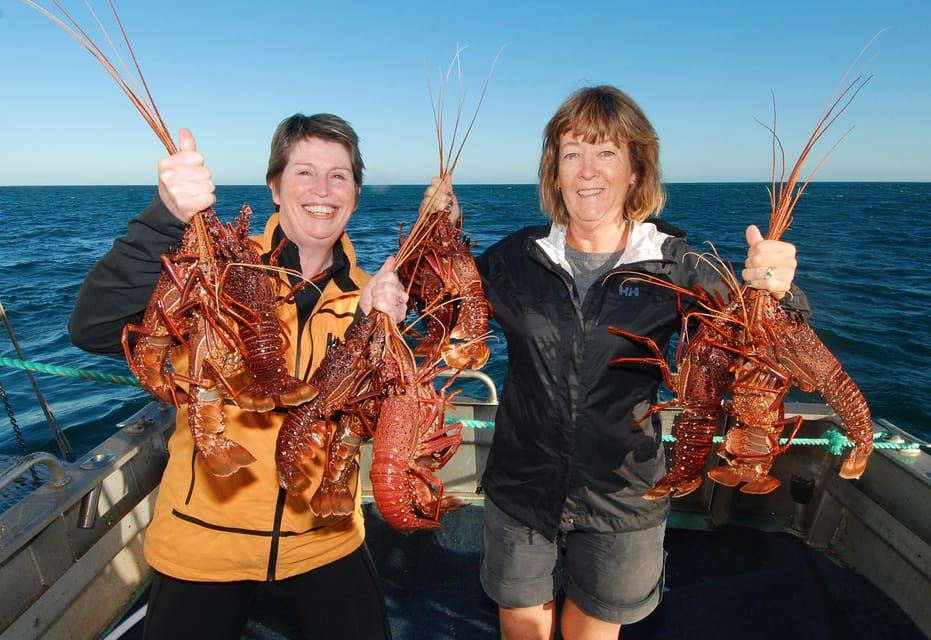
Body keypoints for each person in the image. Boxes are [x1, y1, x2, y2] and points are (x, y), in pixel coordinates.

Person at [421, 85, 807, 640]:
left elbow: (765, 337)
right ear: (553, 171)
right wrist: (438, 237)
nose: (586, 171)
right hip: (522, 491)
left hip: (624, 496)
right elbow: (434, 308)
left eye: (606, 152)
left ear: (635, 170)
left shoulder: (678, 266)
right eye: (571, 153)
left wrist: (778, 288)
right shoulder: (513, 259)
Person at [69, 113, 410, 640]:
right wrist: (165, 217)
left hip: (323, 533)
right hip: (205, 539)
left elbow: (378, 418)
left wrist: (377, 329)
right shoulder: (215, 267)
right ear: (274, 186)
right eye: (304, 173)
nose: (322, 190)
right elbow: (92, 328)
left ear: (356, 193)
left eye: (339, 176)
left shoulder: (371, 292)